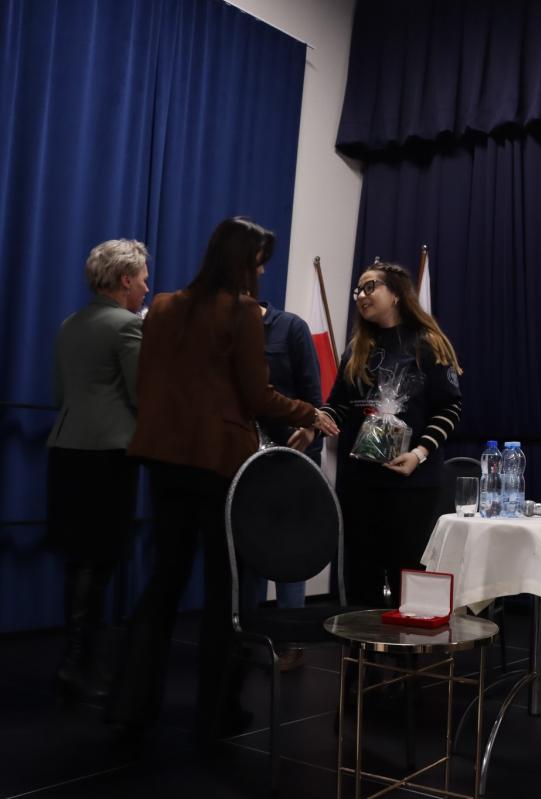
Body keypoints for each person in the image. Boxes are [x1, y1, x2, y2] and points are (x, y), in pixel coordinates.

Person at [107, 217, 338, 741]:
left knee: (163, 582)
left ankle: (130, 704)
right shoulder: (242, 312)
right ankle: (217, 713)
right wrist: (309, 412)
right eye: (259, 262)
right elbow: (258, 396)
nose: (262, 272)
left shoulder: (163, 305)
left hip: (163, 459)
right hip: (218, 464)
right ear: (244, 261)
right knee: (225, 592)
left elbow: (149, 382)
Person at [307, 263, 462, 607]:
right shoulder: (356, 349)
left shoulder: (429, 344)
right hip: (359, 484)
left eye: (370, 287)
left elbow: (449, 408)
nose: (361, 296)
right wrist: (319, 419)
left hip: (412, 484)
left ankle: (407, 643)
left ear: (396, 295)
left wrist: (419, 453)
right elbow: (339, 405)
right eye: (358, 290)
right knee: (361, 581)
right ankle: (363, 643)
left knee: (409, 580)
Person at [46, 239, 150, 701]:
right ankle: (87, 665)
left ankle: (74, 659)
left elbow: (59, 394)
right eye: (142, 279)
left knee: (77, 559)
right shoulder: (128, 326)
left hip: (65, 449)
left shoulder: (69, 324)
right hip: (108, 453)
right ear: (125, 280)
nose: (146, 288)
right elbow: (142, 395)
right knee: (102, 559)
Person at [237, 299, 325, 672]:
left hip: (291, 458)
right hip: (242, 459)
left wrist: (310, 432)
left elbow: (314, 398)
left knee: (290, 550)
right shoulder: (227, 330)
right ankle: (245, 637)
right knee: (245, 550)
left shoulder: (291, 328)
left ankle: (292, 643)